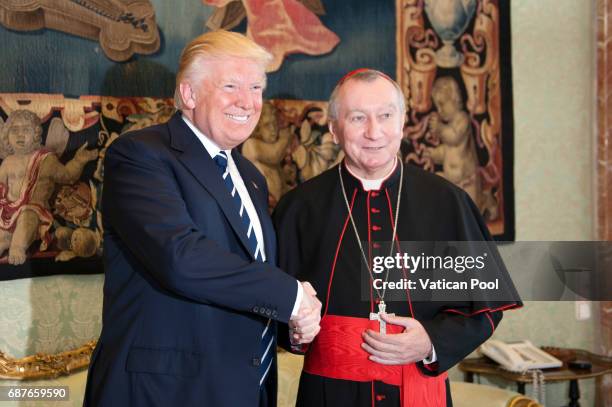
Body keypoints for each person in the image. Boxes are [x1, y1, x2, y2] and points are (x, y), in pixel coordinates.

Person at [83, 30, 322, 407]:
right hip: (165, 393)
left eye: (257, 87)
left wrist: (290, 325)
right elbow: (181, 258)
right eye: (231, 86)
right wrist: (290, 296)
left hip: (245, 390)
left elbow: (244, 277)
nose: (248, 102)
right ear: (189, 94)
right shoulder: (140, 156)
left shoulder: (252, 178)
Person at [273, 69, 521, 407]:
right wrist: (294, 332)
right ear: (334, 129)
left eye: (385, 116)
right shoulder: (299, 207)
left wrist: (431, 341)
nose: (374, 132)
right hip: (330, 396)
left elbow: (486, 308)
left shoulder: (447, 202)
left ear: (402, 123)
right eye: (358, 117)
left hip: (419, 390)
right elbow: (271, 304)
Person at [0, 109, 97, 265]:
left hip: (34, 212)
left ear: (36, 134)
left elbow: (67, 176)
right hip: (8, 212)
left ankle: (17, 247)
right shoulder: (7, 162)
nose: (19, 135)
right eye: (14, 130)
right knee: (3, 233)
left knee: (27, 217)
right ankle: (4, 242)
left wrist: (79, 161)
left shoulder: (46, 160)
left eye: (26, 130)